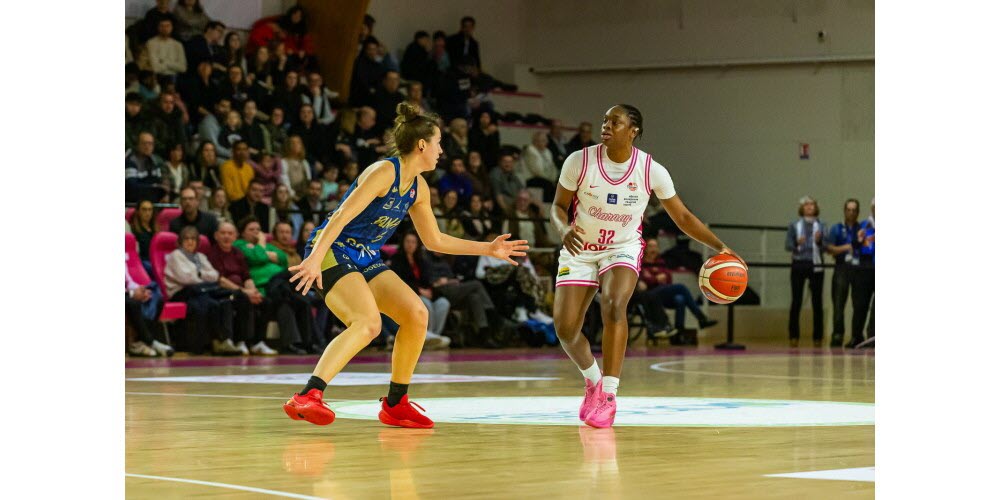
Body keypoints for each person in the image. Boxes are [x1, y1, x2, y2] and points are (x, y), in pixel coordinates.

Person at [283, 102, 528, 428]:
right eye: (439, 142)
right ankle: (308, 395)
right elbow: (341, 215)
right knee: (367, 324)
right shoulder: (384, 171)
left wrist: (488, 248)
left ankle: (396, 403)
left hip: (365, 256)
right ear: (422, 144)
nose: (442, 149)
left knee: (416, 314)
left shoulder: (418, 187)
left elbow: (435, 241)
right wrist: (314, 258)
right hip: (333, 248)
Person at [550, 104, 744, 428]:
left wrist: (721, 246)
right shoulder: (579, 161)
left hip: (622, 247)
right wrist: (562, 228)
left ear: (633, 130)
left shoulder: (651, 170)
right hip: (580, 247)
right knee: (566, 329)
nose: (606, 125)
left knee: (614, 305)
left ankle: (609, 395)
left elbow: (682, 217)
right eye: (605, 120)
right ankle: (593, 381)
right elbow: (557, 206)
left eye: (615, 121)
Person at [235, 216, 312, 354]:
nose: (256, 232)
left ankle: (308, 343)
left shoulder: (266, 246)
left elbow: (282, 259)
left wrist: (261, 251)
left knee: (299, 303)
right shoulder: (239, 245)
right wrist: (263, 247)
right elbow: (257, 257)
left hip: (279, 285)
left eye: (258, 229)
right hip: (264, 286)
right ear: (242, 232)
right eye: (251, 229)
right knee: (288, 295)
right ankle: (291, 344)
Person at [164, 226, 243, 355]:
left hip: (200, 291)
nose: (190, 242)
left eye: (193, 239)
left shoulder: (200, 256)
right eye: (186, 238)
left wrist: (198, 274)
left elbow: (215, 275)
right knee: (208, 304)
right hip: (181, 292)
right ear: (180, 241)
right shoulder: (175, 255)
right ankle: (204, 345)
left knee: (225, 302)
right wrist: (202, 275)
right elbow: (186, 278)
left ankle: (223, 341)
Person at [206, 221, 277, 356]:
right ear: (216, 235)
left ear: (235, 236)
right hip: (223, 290)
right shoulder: (213, 253)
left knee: (265, 301)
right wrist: (244, 292)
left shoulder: (237, 253)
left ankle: (258, 343)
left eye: (230, 233)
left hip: (241, 290)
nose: (226, 236)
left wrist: (254, 292)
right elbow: (220, 279)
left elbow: (246, 276)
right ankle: (241, 341)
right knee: (243, 299)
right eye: (223, 233)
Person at [640, 238, 719, 332]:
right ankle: (701, 318)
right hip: (650, 296)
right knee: (681, 287)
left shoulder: (661, 262)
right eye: (650, 246)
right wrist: (656, 279)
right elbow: (643, 281)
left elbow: (668, 279)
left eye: (655, 246)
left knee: (680, 299)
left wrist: (653, 278)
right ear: (645, 249)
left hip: (663, 293)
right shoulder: (641, 264)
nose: (653, 249)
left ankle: (679, 331)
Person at [389, 232, 451, 349]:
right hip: (409, 294)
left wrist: (430, 290)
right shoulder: (397, 259)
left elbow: (428, 279)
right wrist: (420, 291)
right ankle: (425, 336)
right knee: (424, 303)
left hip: (426, 292)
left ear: (417, 244)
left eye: (413, 242)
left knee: (443, 303)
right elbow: (399, 281)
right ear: (403, 243)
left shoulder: (421, 259)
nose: (410, 245)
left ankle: (435, 335)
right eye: (408, 241)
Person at [785, 195, 827, 348]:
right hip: (799, 263)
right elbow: (788, 245)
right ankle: (793, 336)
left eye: (812, 205)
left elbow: (826, 247)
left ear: (816, 208)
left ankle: (818, 337)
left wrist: (819, 241)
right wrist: (796, 243)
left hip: (816, 264)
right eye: (806, 205)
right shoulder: (794, 225)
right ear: (802, 208)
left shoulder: (822, 225)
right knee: (796, 301)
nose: (809, 207)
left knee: (817, 302)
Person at [826, 198, 862, 348]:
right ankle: (837, 335)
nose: (851, 213)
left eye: (854, 210)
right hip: (841, 267)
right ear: (844, 211)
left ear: (858, 212)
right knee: (839, 303)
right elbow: (829, 248)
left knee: (859, 304)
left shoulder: (862, 228)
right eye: (849, 209)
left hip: (858, 268)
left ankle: (856, 336)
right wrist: (848, 247)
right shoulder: (836, 228)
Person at [848, 199, 875, 348]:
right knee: (861, 304)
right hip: (865, 268)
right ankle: (856, 336)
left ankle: (873, 336)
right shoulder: (863, 225)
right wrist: (859, 239)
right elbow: (853, 244)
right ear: (872, 208)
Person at [126, 132, 168, 203]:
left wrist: (165, 193)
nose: (147, 146)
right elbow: (132, 187)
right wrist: (154, 187)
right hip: (134, 202)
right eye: (144, 143)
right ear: (138, 145)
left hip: (152, 201)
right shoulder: (130, 161)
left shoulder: (155, 161)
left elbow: (160, 182)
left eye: (150, 144)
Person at [519, 131, 559, 202]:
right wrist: (550, 180)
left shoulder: (547, 152)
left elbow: (553, 168)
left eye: (545, 140)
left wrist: (553, 179)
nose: (544, 143)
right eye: (541, 141)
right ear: (535, 142)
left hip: (547, 179)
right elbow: (537, 171)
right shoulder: (530, 151)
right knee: (548, 185)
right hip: (532, 179)